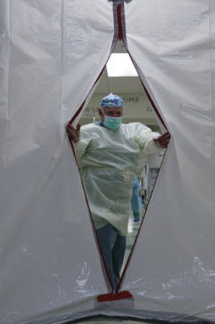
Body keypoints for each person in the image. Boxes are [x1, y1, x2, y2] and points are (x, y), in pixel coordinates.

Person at [66, 93, 170, 290]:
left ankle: (114, 288)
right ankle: (101, 291)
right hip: (97, 203)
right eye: (110, 113)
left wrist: (157, 142)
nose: (115, 116)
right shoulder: (88, 132)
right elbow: (76, 157)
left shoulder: (132, 130)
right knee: (101, 252)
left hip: (121, 206)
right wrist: (75, 143)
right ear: (100, 112)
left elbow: (147, 140)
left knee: (118, 253)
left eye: (118, 113)